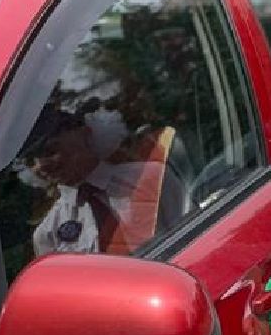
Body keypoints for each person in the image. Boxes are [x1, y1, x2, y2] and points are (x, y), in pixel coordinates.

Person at [23, 104, 187, 258]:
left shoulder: (150, 178)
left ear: (84, 132)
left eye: (50, 150)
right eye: (30, 161)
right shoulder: (48, 234)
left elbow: (192, 236)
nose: (41, 165)